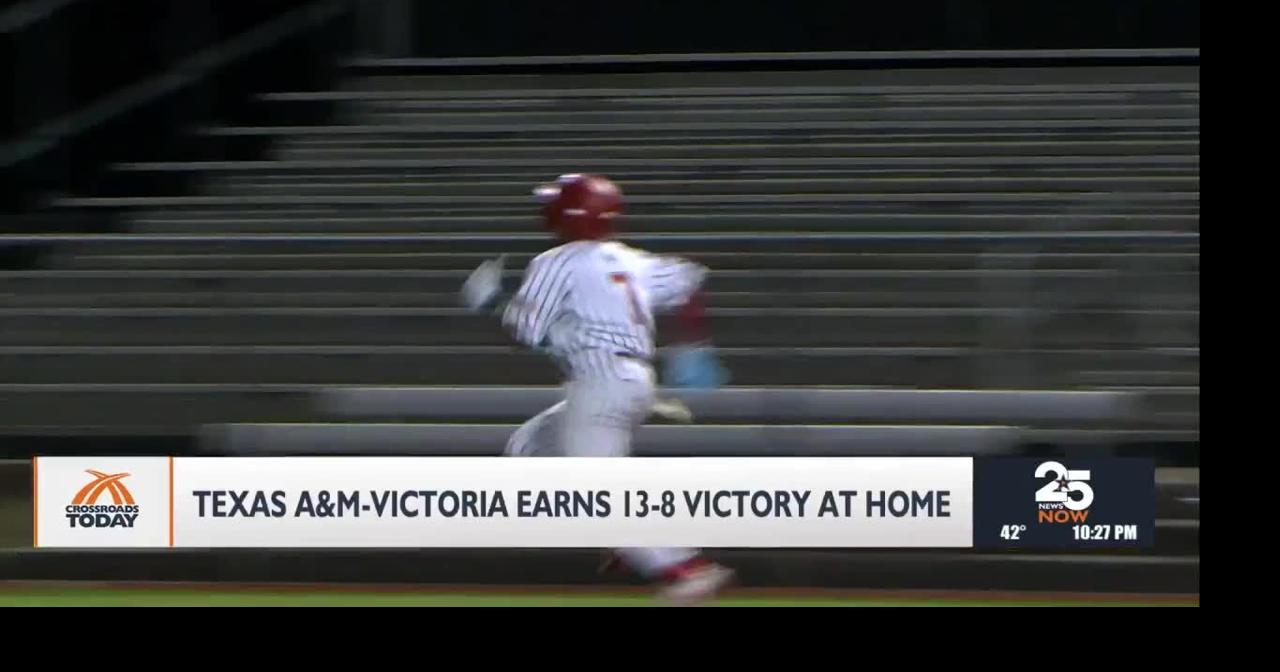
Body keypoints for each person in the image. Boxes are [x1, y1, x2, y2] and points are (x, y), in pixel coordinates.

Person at [460, 173, 733, 604]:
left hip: (600, 385)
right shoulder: (632, 260)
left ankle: (684, 569)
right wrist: (694, 344)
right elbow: (687, 281)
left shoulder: (557, 261)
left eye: (556, 202)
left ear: (571, 213)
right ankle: (624, 542)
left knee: (596, 492)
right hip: (630, 381)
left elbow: (523, 333)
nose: (546, 209)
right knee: (529, 447)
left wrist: (491, 302)